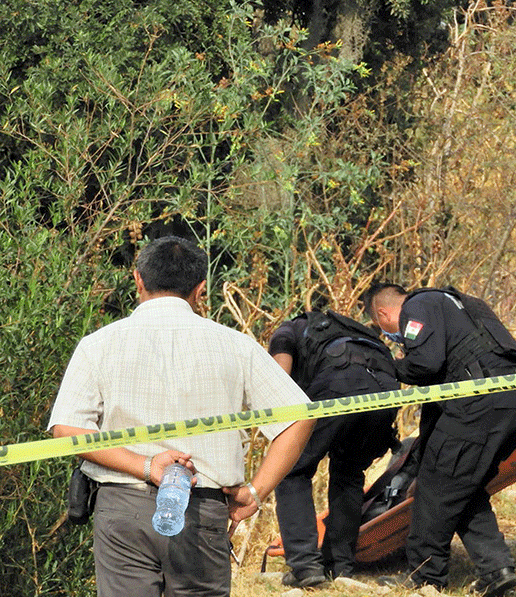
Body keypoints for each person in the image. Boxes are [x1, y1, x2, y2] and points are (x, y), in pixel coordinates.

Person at [47, 235, 315, 597]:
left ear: (138, 279)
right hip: (202, 511)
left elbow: (66, 430)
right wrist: (256, 490)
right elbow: (300, 416)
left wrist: (145, 465)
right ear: (201, 289)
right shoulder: (235, 345)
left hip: (122, 510)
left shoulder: (99, 344)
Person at [363, 283, 516, 597]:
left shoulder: (417, 306)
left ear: (382, 313)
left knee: (435, 483)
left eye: (382, 329)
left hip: (479, 402)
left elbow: (425, 364)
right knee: (462, 485)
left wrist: (388, 366)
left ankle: (425, 577)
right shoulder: (458, 303)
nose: (391, 336)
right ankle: (498, 571)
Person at [268, 307, 401, 587]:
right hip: (387, 392)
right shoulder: (350, 329)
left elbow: (278, 380)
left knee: (290, 470)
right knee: (349, 473)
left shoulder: (287, 330)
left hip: (340, 384)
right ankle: (340, 567)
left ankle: (305, 566)